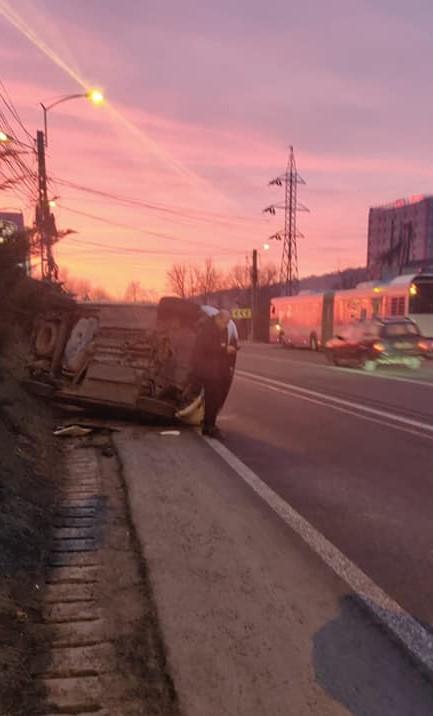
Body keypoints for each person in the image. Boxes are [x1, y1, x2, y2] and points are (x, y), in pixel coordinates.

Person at [193, 309, 232, 438]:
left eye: (227, 323)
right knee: (212, 398)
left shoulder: (221, 328)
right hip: (206, 368)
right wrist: (224, 349)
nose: (226, 325)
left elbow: (221, 346)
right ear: (218, 318)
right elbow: (207, 347)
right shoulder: (208, 327)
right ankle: (209, 426)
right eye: (225, 322)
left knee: (214, 397)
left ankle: (208, 424)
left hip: (216, 368)